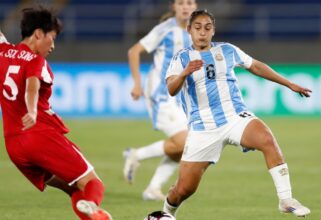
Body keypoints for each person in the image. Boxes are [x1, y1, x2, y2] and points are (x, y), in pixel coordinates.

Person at [162, 9, 311, 218]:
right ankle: (166, 213)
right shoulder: (181, 58)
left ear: (213, 31)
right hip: (202, 128)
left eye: (207, 28)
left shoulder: (227, 50)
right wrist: (185, 72)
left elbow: (256, 66)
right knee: (184, 189)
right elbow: (171, 89)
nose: (202, 32)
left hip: (235, 116)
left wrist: (289, 83)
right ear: (189, 30)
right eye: (197, 28)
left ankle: (286, 199)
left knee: (267, 139)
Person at [0, 6, 111, 220]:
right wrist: (32, 110)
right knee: (93, 183)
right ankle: (93, 207)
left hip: (14, 145)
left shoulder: (3, 52)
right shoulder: (35, 61)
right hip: (38, 134)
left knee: (75, 189)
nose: (53, 45)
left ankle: (93, 215)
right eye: (52, 37)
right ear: (38, 34)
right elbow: (32, 85)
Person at [124, 0, 197, 201]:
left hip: (180, 96)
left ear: (195, 6)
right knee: (185, 141)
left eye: (189, 2)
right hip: (161, 93)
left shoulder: (196, 31)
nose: (185, 6)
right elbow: (134, 51)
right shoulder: (165, 29)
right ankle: (136, 155)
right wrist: (137, 83)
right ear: (174, 7)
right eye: (181, 3)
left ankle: (153, 189)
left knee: (184, 147)